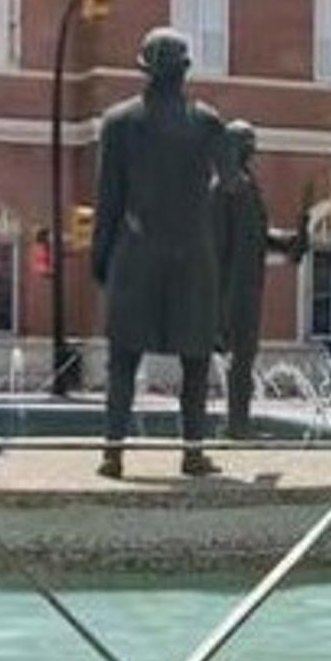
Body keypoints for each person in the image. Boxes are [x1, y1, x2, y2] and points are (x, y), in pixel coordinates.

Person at [92, 28, 231, 478]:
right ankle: (192, 451)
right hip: (192, 254)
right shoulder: (208, 122)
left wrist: (101, 258)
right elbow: (229, 181)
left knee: (123, 359)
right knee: (195, 360)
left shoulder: (118, 122)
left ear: (145, 69)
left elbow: (108, 201)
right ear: (184, 70)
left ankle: (113, 453)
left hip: (136, 251)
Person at [214, 119, 309, 439]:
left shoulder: (247, 185)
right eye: (246, 143)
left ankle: (239, 422)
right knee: (236, 356)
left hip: (249, 283)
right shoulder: (223, 187)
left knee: (245, 356)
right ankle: (233, 426)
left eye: (252, 143)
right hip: (231, 288)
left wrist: (289, 240)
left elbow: (257, 234)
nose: (252, 149)